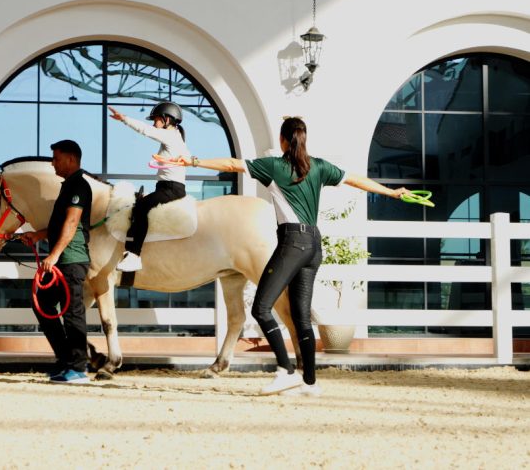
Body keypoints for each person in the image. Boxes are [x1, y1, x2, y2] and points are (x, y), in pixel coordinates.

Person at [159, 117, 410, 396]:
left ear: (282, 140)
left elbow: (231, 164)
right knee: (301, 317)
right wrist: (391, 192)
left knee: (261, 309)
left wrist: (190, 162)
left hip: (292, 242)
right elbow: (353, 179)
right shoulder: (319, 166)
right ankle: (310, 383)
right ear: (303, 139)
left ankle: (285, 371)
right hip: (314, 245)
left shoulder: (275, 167)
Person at [20, 140, 92, 384]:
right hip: (62, 260)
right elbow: (58, 225)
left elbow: (71, 224)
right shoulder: (68, 186)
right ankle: (65, 361)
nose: (53, 163)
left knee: (72, 313)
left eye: (56, 158)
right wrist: (38, 235)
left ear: (71, 159)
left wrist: (54, 255)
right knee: (42, 302)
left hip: (72, 260)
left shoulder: (79, 187)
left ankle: (79, 368)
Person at [109, 101, 190, 272]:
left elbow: (146, 130)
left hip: (170, 188)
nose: (154, 123)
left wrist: (124, 118)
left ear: (167, 119)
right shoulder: (176, 138)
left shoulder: (171, 136)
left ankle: (134, 256)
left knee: (140, 208)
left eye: (156, 119)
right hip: (166, 187)